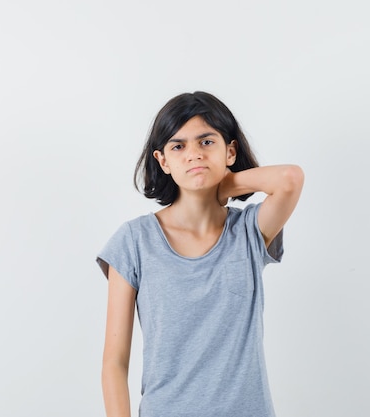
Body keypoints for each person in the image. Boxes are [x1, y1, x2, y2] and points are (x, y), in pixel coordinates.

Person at [96, 91, 304, 417]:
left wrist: (225, 185)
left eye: (206, 142)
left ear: (230, 151)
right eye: (178, 146)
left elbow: (290, 179)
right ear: (162, 161)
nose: (193, 154)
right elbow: (114, 362)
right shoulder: (134, 241)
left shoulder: (250, 231)